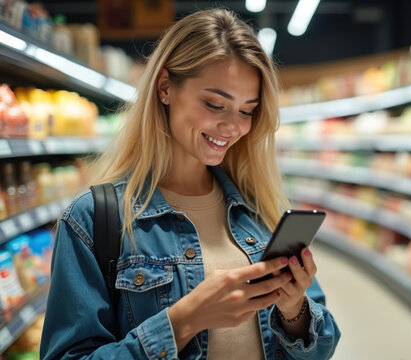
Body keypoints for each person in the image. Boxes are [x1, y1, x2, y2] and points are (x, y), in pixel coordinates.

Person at [40, 8, 340, 360]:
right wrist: (183, 320)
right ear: (165, 87)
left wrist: (295, 312)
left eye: (247, 111)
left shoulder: (258, 207)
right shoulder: (94, 220)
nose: (233, 127)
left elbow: (320, 347)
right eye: (215, 104)